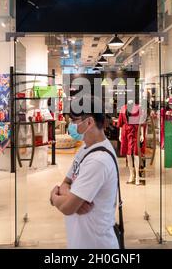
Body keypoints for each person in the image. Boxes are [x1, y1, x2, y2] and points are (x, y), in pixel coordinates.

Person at [49, 96, 119, 249]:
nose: (71, 125)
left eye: (74, 121)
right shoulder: (85, 149)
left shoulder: (98, 160)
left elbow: (67, 207)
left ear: (89, 122)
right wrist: (72, 198)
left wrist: (54, 197)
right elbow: (66, 182)